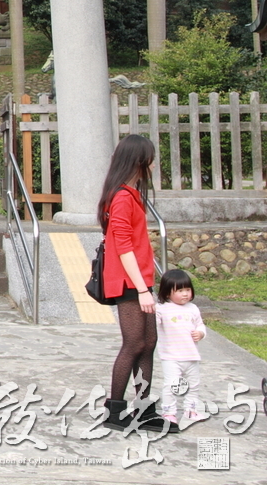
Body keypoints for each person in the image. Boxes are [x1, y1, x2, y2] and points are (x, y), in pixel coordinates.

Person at [99, 134, 164, 431]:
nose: (151, 162)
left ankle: (144, 409)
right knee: (134, 343)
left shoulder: (128, 192)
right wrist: (141, 290)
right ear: (138, 160)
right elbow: (123, 246)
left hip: (137, 279)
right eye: (149, 157)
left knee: (148, 343)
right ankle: (115, 411)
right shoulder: (123, 197)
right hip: (129, 281)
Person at [155, 268, 210, 427]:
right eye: (180, 290)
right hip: (171, 357)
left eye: (187, 289)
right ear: (166, 293)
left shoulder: (193, 308)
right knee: (171, 385)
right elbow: (154, 325)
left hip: (191, 356)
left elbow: (200, 324)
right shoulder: (162, 309)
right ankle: (169, 412)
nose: (185, 294)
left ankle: (190, 410)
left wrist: (200, 333)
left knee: (194, 384)